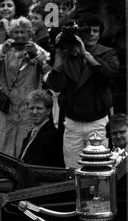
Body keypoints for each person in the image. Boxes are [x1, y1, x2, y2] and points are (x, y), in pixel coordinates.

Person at [45, 14, 119, 168]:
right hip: (73, 122)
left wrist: (86, 55)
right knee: (72, 170)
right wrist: (59, 51)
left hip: (96, 121)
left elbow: (108, 76)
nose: (91, 34)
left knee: (99, 169)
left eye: (95, 31)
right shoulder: (69, 55)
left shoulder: (108, 53)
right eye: (88, 31)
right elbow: (55, 85)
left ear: (100, 34)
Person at [0, 17, 50, 158]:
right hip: (8, 105)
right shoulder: (5, 48)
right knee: (6, 144)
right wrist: (2, 51)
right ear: (11, 34)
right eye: (16, 32)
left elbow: (51, 69)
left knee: (26, 145)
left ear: (29, 34)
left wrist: (37, 55)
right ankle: (6, 177)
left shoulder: (36, 49)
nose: (19, 35)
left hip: (29, 107)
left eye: (23, 32)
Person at [19, 89, 64, 167]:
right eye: (31, 108)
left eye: (39, 108)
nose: (34, 112)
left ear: (48, 111)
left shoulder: (51, 135)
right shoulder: (32, 132)